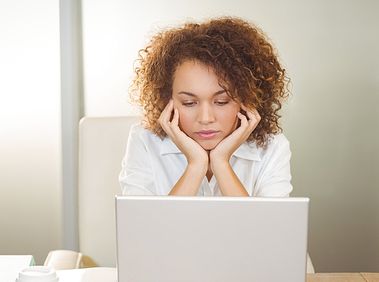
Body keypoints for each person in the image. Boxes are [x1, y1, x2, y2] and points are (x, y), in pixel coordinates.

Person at [120, 16, 293, 197]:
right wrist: (196, 165)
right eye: (189, 103)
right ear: (167, 100)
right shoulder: (144, 142)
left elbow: (261, 226)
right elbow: (145, 226)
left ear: (247, 100)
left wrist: (221, 162)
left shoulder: (273, 148)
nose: (205, 118)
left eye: (221, 102)